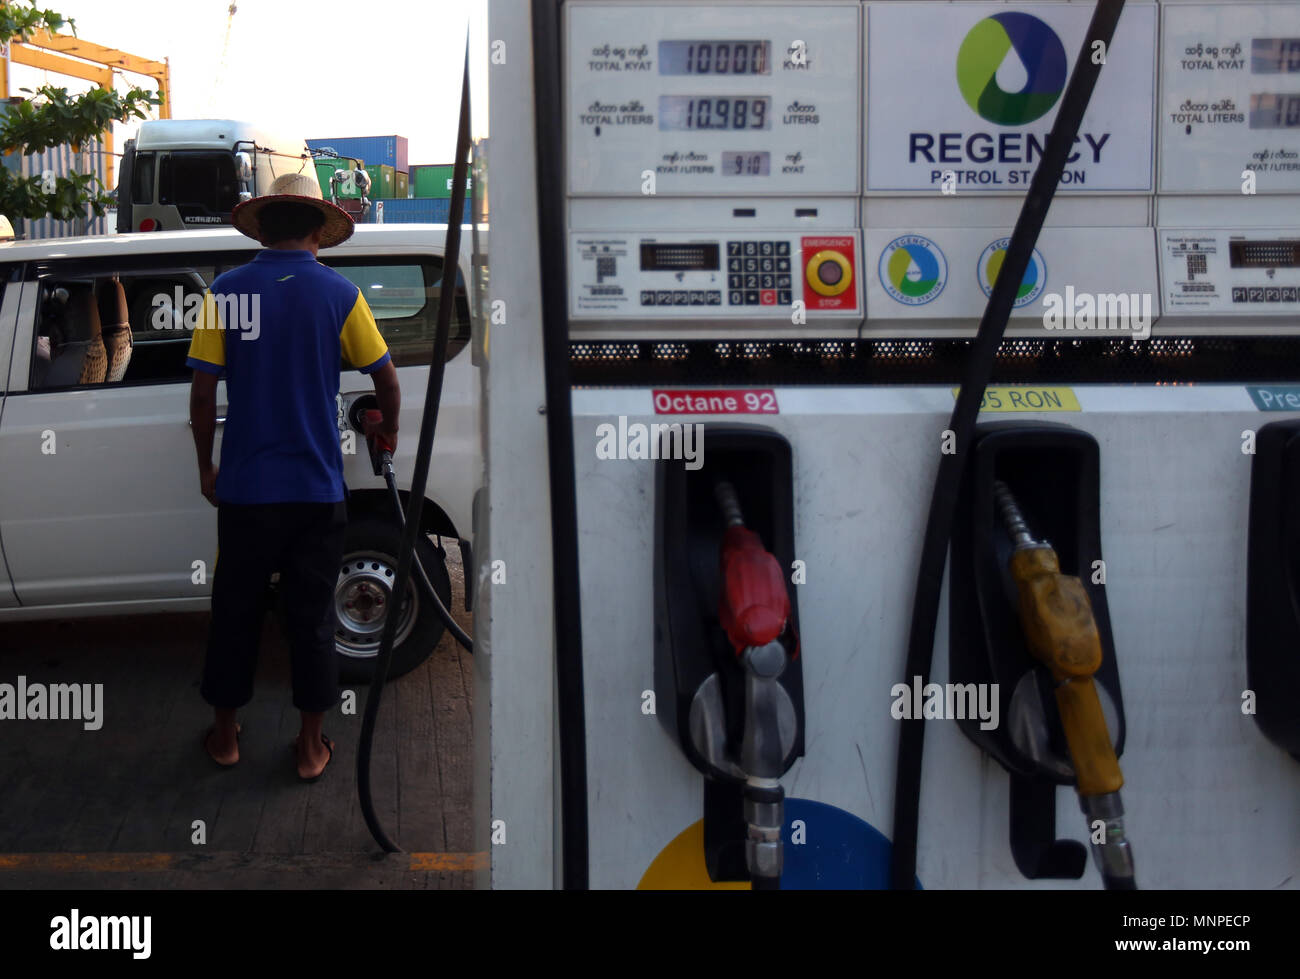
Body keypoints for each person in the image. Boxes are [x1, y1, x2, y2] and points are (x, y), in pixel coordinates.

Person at [187, 172, 401, 780]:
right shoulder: (340, 295)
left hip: (247, 491)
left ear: (265, 226)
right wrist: (388, 431)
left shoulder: (226, 292)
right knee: (310, 619)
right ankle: (310, 749)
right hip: (316, 491)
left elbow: (202, 394)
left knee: (235, 611)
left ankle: (225, 738)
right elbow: (386, 380)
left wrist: (207, 466)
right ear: (315, 230)